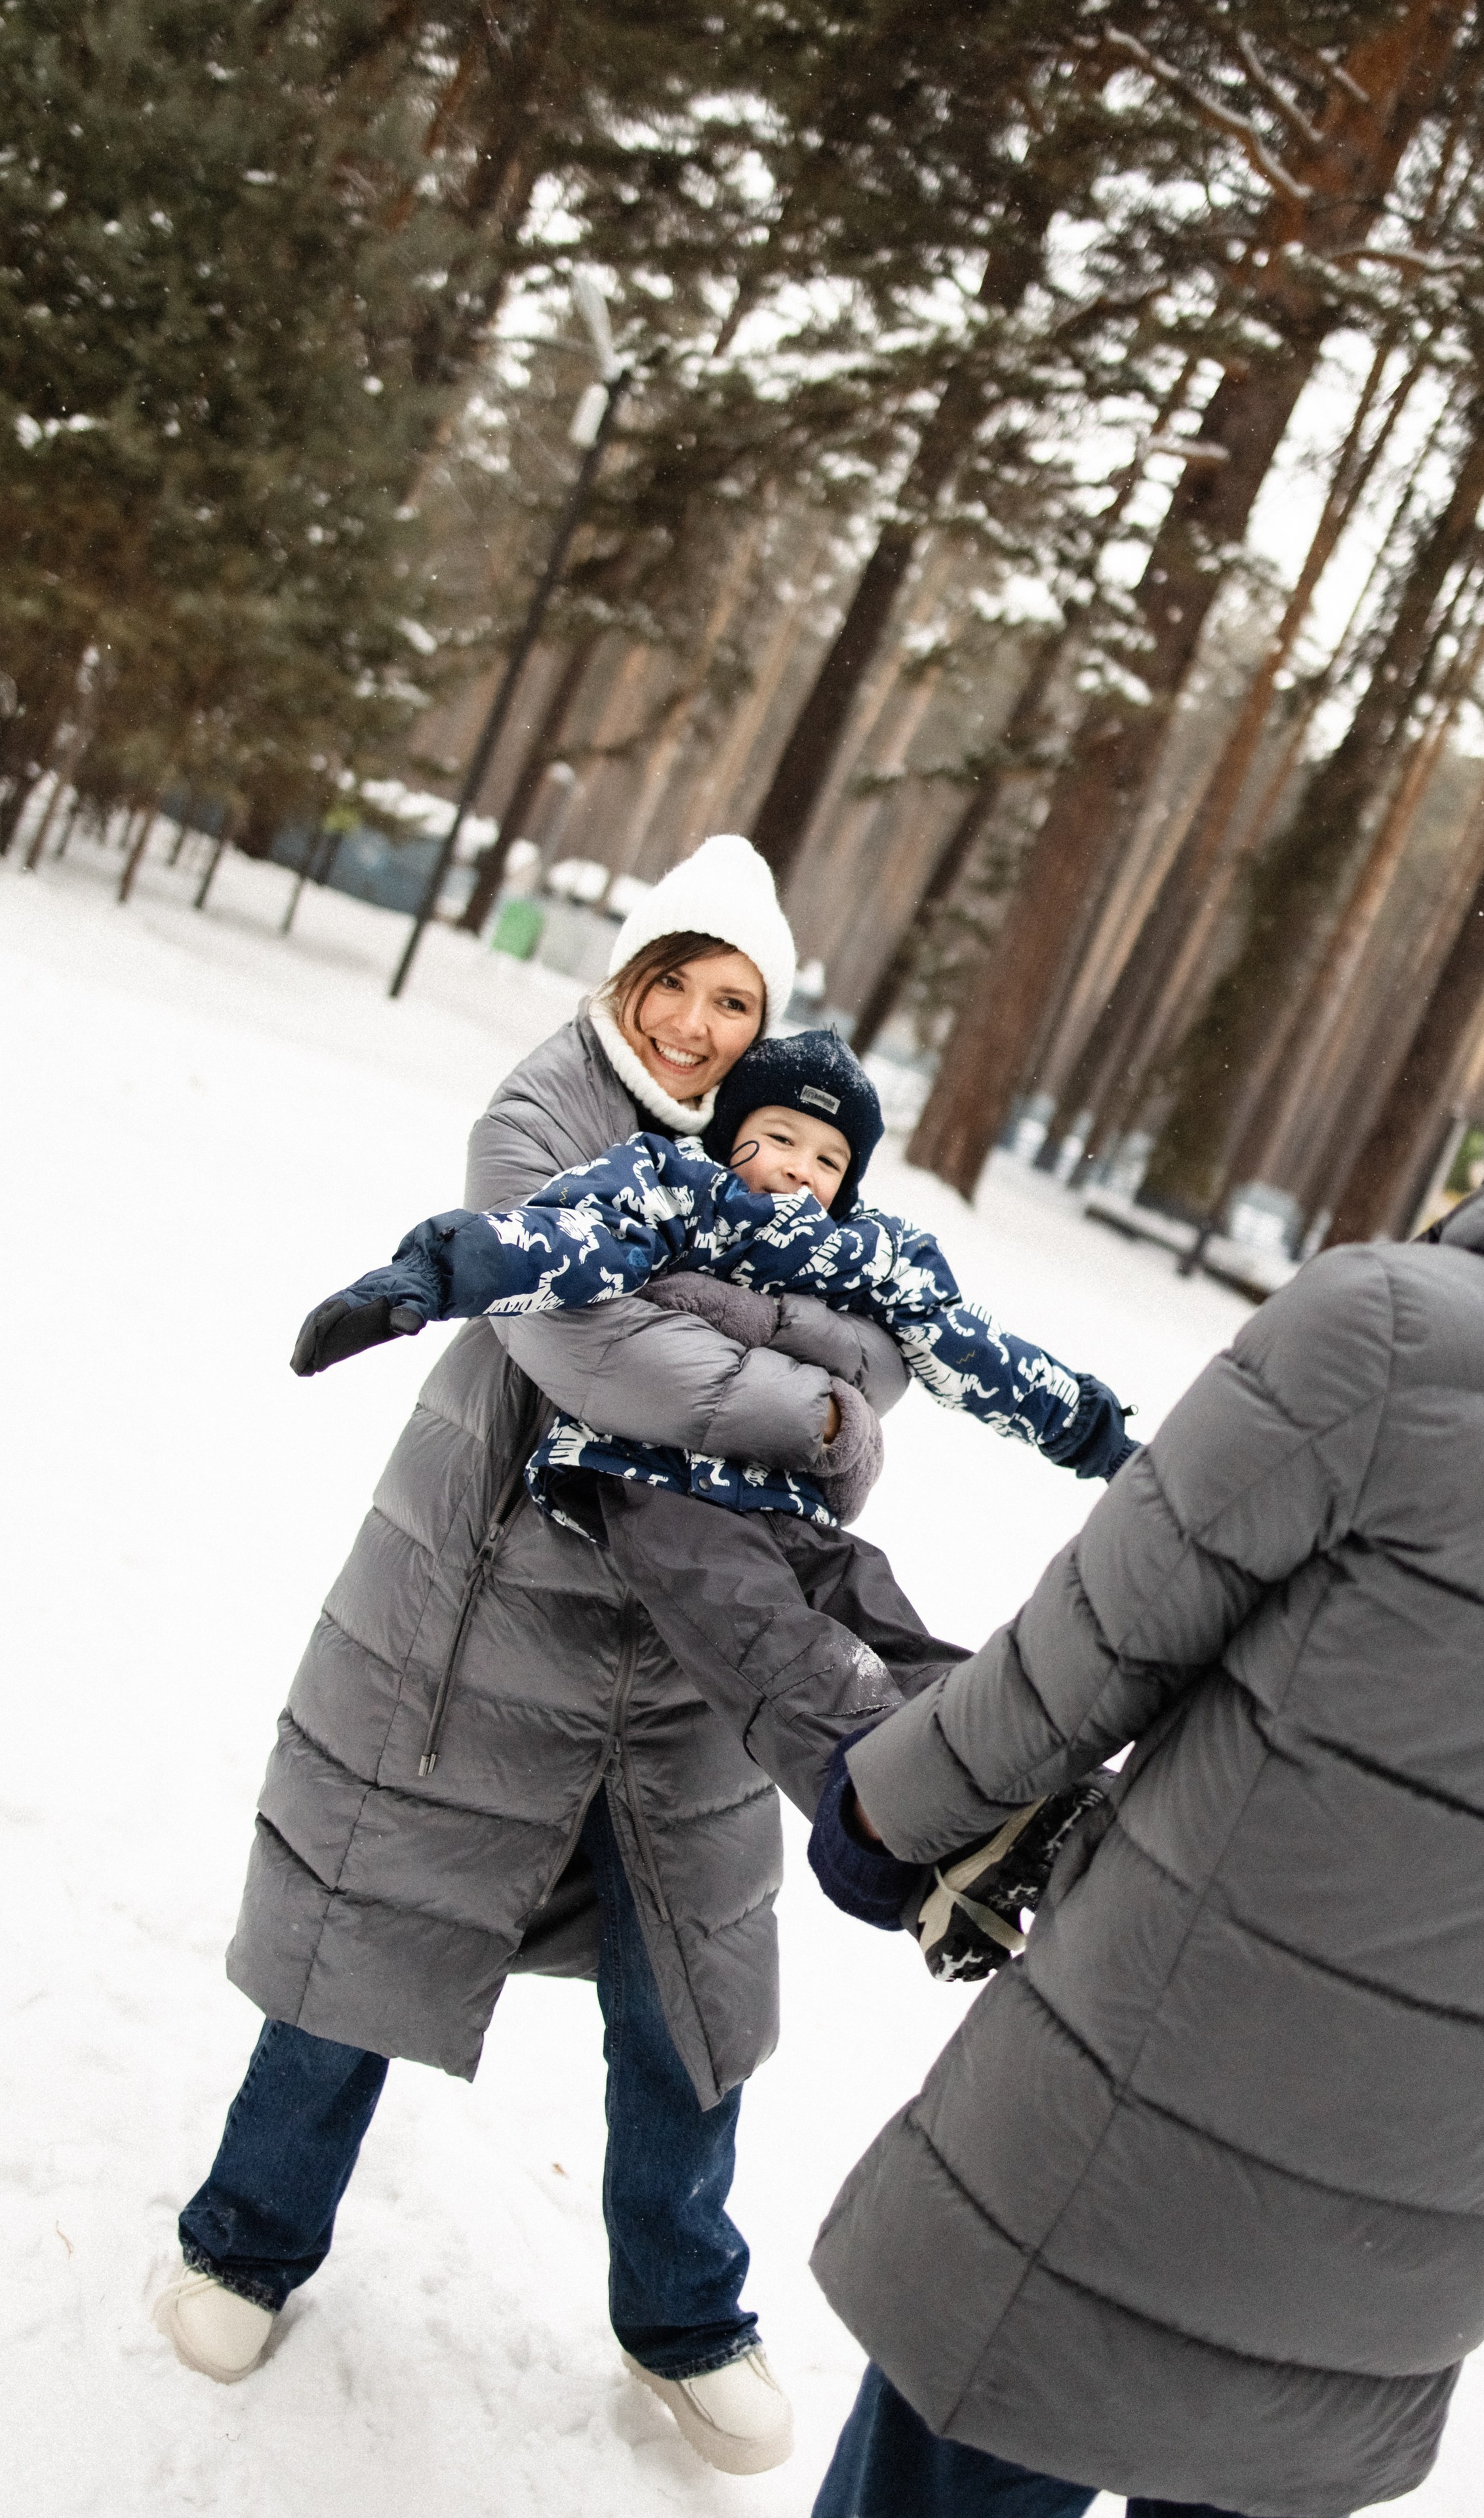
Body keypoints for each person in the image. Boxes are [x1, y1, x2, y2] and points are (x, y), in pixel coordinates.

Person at [797, 902, 1484, 2518]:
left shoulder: (1395, 1335)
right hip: (1403, 2237)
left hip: (1127, 2149)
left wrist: (882, 1814)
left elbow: (1087, 1650)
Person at [155, 834, 919, 2475]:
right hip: (481, 1629)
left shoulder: (768, 1151)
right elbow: (596, 1350)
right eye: (678, 985)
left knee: (690, 2002)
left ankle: (684, 2320)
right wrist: (817, 1404)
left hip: (679, 1675)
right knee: (370, 1929)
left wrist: (837, 1385)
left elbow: (883, 1338)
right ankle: (244, 2237)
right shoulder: (541, 1122)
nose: (699, 1027)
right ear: (623, 976)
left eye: (735, 1001)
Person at [286, 1025, 1135, 1945]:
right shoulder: (675, 1192)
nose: (798, 1169)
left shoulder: (870, 1254)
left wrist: (1093, 1430)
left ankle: (1037, 1778)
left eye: (827, 1156)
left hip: (792, 1498)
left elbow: (974, 1352)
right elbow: (566, 1241)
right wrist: (432, 1271)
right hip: (657, 1487)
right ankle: (895, 1814)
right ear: (730, 1136)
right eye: (776, 1138)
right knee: (770, 1635)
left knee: (876, 1613)